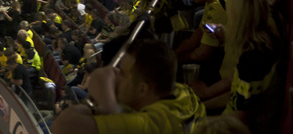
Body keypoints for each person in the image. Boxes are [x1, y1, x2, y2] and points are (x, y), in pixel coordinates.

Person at [50, 39, 200, 134]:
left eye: (122, 73)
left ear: (143, 89)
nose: (114, 74)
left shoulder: (151, 124)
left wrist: (106, 102)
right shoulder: (183, 93)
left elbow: (63, 126)